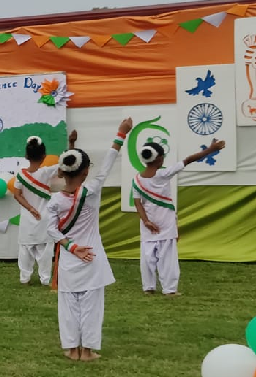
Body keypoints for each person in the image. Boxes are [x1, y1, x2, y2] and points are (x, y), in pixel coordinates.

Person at [44, 118, 131, 362]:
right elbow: (108, 163)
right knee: (92, 307)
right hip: (92, 258)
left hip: (69, 259)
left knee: (68, 306)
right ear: (85, 172)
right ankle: (88, 350)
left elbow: (51, 230)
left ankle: (72, 349)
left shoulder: (55, 201)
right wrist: (121, 134)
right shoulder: (92, 191)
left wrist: (71, 247)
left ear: (62, 172)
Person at [133, 138, 227, 296]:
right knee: (167, 257)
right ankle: (169, 289)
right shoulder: (164, 174)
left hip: (148, 223)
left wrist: (146, 221)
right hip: (165, 221)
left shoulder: (136, 179)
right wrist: (211, 149)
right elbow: (188, 160)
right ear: (159, 158)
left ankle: (148, 287)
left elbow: (138, 203)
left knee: (147, 256)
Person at [12, 132, 78, 286]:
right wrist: (71, 144)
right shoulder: (47, 172)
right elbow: (66, 165)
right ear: (44, 156)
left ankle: (24, 278)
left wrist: (30, 208)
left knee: (25, 250)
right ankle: (45, 279)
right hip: (44, 218)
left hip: (28, 219)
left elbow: (17, 195)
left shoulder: (21, 174)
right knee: (45, 251)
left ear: (26, 156)